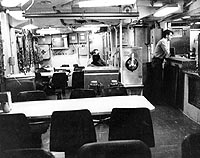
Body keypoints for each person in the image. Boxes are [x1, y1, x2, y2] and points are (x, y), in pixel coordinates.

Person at [151, 29, 173, 104]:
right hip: (157, 62)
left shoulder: (165, 41)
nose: (171, 37)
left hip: (158, 61)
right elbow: (167, 52)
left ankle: (157, 99)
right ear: (166, 35)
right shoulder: (163, 41)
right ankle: (156, 100)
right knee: (157, 80)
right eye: (170, 35)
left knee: (158, 80)